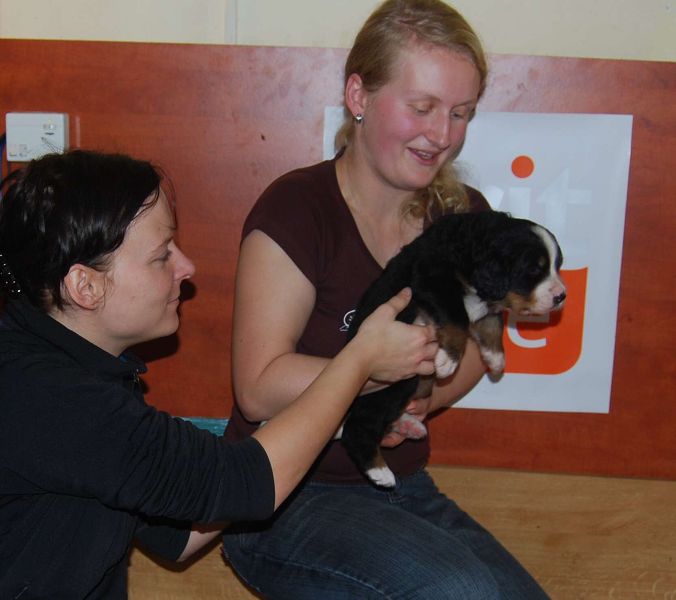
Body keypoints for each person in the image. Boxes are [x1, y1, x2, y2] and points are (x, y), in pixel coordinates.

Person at [0, 149, 437, 599]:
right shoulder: (46, 396)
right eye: (161, 256)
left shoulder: (82, 375)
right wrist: (359, 359)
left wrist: (339, 416)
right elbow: (245, 485)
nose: (186, 268)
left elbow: (180, 535)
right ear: (85, 286)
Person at [221, 0, 550, 598]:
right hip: (281, 495)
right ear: (359, 95)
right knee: (461, 592)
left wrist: (416, 403)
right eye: (422, 107)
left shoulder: (465, 217)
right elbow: (258, 387)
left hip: (399, 484)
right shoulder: (298, 208)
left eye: (460, 113)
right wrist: (373, 369)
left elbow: (476, 346)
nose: (442, 135)